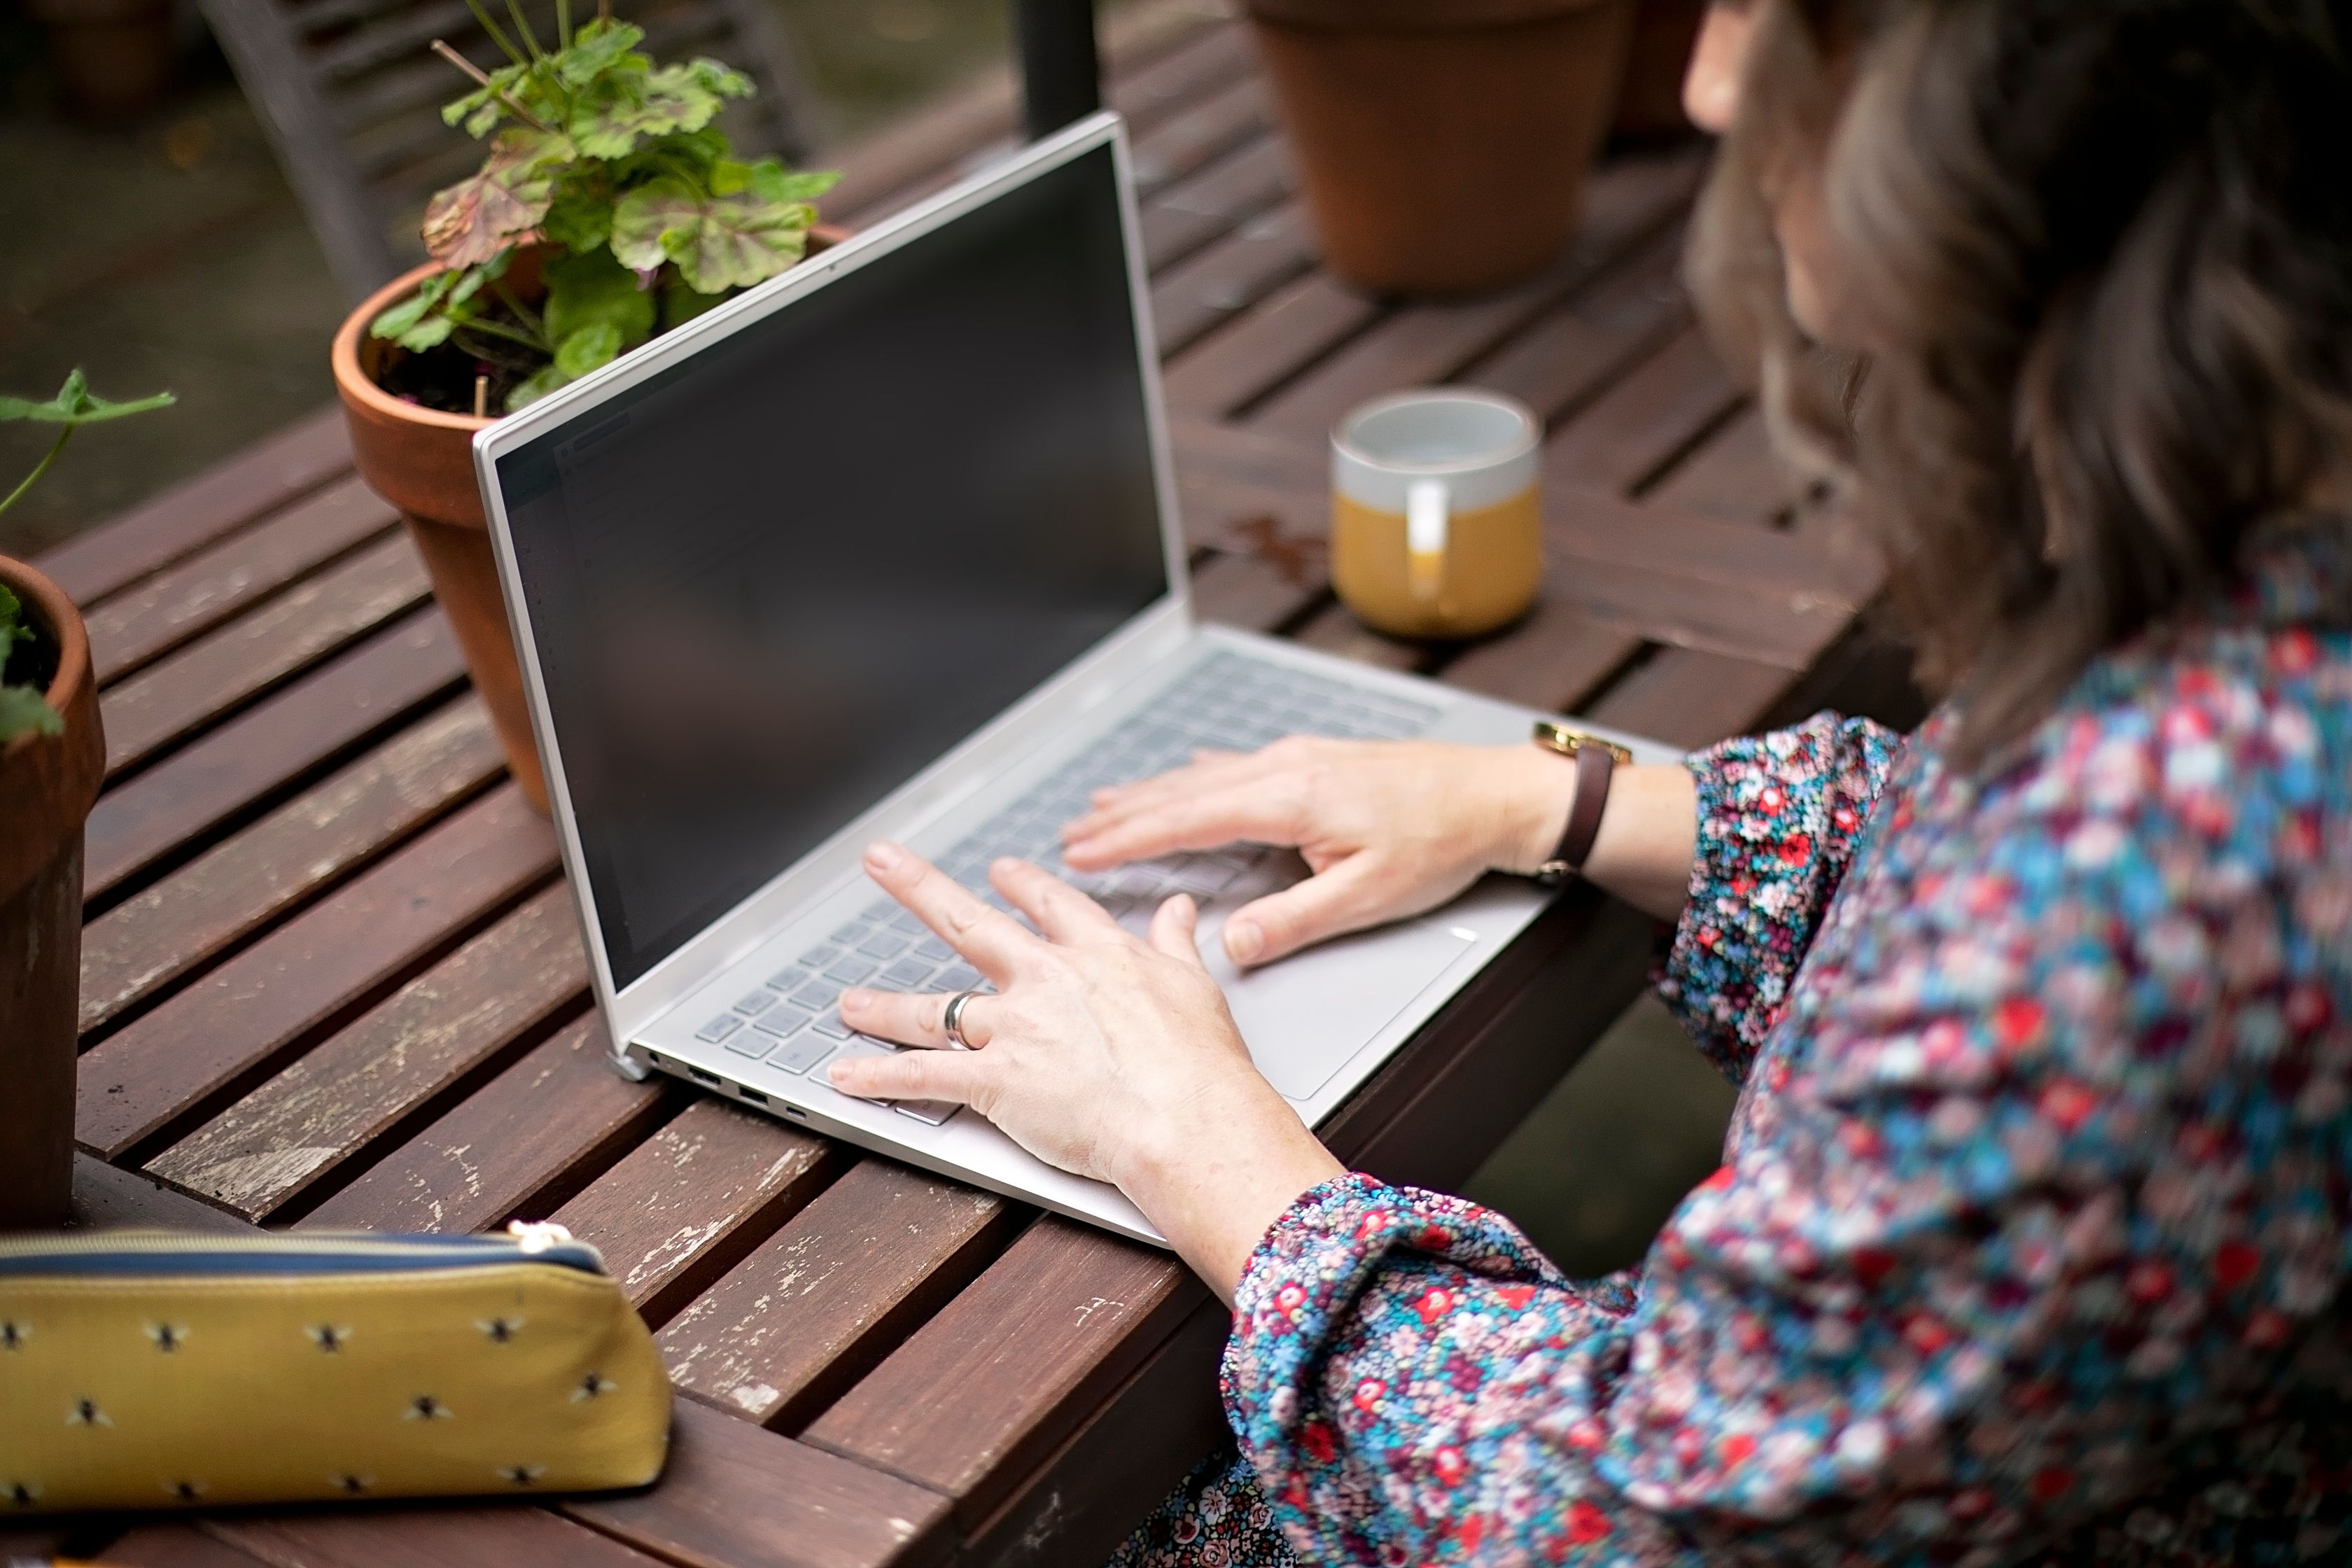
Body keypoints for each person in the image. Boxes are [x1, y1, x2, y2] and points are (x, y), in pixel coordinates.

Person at [825, 0, 2352, 1560]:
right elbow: (1964, 853)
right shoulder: (2259, 587)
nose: (1705, 78)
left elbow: (1619, 1522)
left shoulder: (2137, 886)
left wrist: (1200, 1138)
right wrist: (1549, 801)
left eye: (1768, 7)